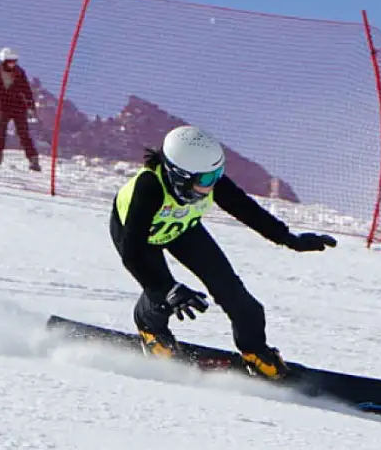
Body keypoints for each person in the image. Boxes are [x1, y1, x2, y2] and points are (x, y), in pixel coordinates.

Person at [110, 124, 337, 380]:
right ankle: (150, 328)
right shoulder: (149, 188)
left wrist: (288, 238)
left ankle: (254, 351)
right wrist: (166, 289)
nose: (215, 182)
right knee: (162, 295)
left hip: (182, 229)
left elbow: (245, 208)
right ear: (180, 176)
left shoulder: (207, 180)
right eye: (207, 179)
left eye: (218, 173)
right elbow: (133, 253)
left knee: (240, 300)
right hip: (140, 239)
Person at [0, 47, 40, 171]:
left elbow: (26, 89)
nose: (12, 64)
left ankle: (33, 159)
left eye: (14, 61)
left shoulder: (20, 72)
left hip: (19, 107)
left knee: (23, 132)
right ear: (3, 61)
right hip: (3, 106)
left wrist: (30, 104)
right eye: (9, 61)